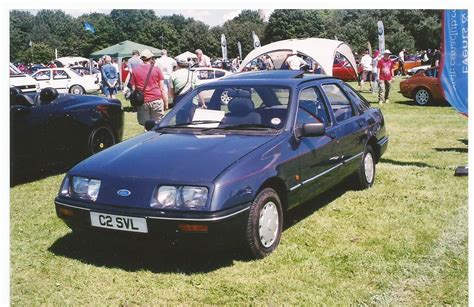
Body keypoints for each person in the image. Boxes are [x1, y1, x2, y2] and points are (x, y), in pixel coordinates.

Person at [131, 49, 168, 126]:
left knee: (146, 125)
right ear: (151, 58)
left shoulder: (135, 70)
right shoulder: (156, 69)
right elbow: (162, 88)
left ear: (141, 59)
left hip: (143, 101)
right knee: (158, 124)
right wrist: (166, 103)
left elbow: (133, 88)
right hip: (156, 99)